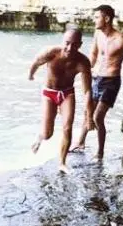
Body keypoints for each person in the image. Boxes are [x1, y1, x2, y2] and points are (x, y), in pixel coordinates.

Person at [70, 5, 123, 159]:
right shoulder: (98, 34)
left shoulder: (121, 40)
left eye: (97, 17)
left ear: (107, 19)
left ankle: (100, 153)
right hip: (96, 79)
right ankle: (80, 142)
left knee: (98, 117)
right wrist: (83, 70)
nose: (94, 20)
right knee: (88, 112)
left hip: (111, 82)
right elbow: (93, 55)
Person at [29, 27, 94, 173]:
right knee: (48, 134)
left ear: (80, 45)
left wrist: (89, 116)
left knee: (67, 127)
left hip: (67, 93)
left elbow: (87, 91)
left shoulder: (83, 62)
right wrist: (31, 75)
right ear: (62, 41)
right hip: (49, 93)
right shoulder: (51, 53)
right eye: (67, 43)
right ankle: (40, 137)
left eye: (75, 45)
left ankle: (62, 163)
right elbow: (36, 62)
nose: (70, 48)